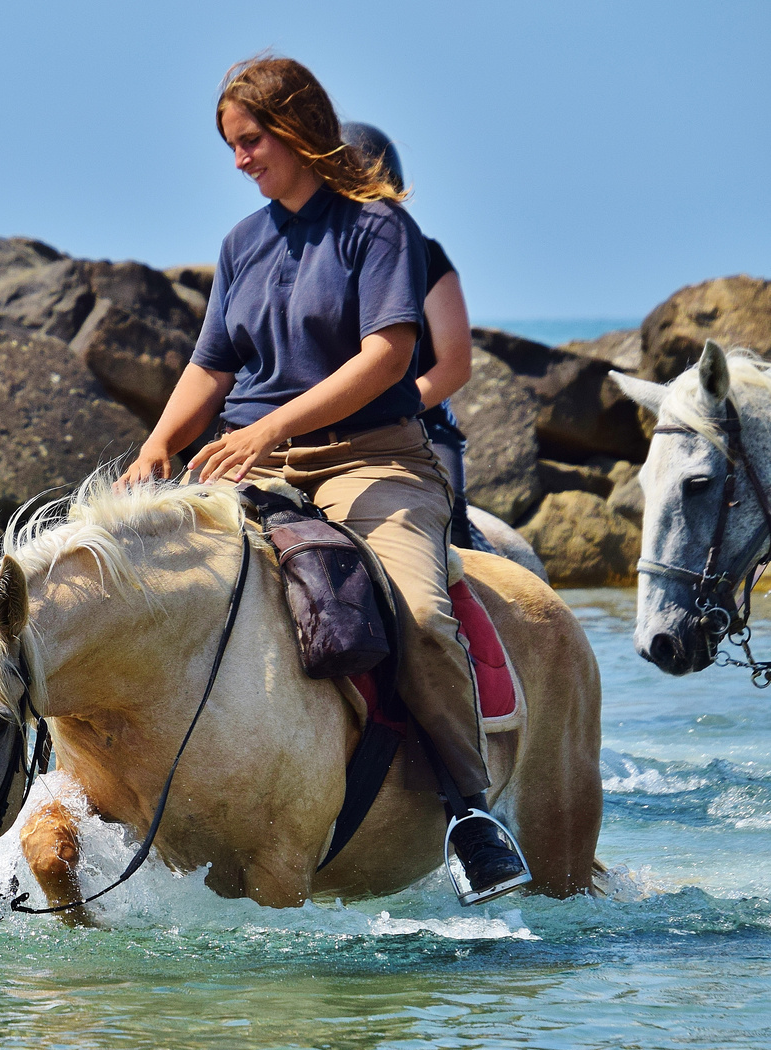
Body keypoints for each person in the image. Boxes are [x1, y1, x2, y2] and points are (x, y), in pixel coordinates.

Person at [120, 57, 529, 901]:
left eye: (251, 140)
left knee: (417, 612)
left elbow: (389, 356)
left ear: (299, 127)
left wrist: (271, 425)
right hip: (253, 462)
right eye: (230, 146)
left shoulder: (378, 228)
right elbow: (211, 364)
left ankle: (470, 812)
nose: (240, 160)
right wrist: (157, 448)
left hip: (371, 458)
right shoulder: (242, 243)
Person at [340, 122, 477, 550]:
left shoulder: (426, 255)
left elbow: (455, 365)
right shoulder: (323, 261)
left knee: (449, 526)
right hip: (331, 427)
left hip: (422, 425)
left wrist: (383, 408)